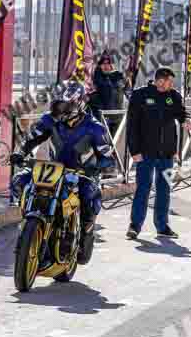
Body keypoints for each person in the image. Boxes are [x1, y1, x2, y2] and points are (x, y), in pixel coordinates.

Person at [10, 80, 116, 264]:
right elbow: (31, 139)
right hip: (54, 169)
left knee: (89, 196)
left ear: (79, 104)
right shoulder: (49, 120)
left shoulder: (95, 127)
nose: (61, 110)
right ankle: (29, 223)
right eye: (58, 105)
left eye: (66, 106)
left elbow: (108, 156)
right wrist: (20, 153)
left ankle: (85, 235)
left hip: (83, 173)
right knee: (20, 180)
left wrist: (101, 166)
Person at [126, 66, 191, 239]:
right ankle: (135, 226)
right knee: (143, 188)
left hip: (166, 153)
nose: (171, 85)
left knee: (164, 190)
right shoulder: (140, 95)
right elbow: (132, 125)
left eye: (171, 82)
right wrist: (134, 150)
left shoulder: (173, 96)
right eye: (169, 82)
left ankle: (162, 226)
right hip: (145, 152)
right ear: (159, 80)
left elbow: (181, 113)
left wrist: (187, 120)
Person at [89, 52, 127, 138]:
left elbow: (126, 92)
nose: (106, 66)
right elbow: (104, 88)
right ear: (99, 66)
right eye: (103, 63)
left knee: (116, 142)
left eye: (108, 63)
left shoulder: (118, 77)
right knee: (105, 142)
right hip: (103, 118)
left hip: (118, 117)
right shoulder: (98, 77)